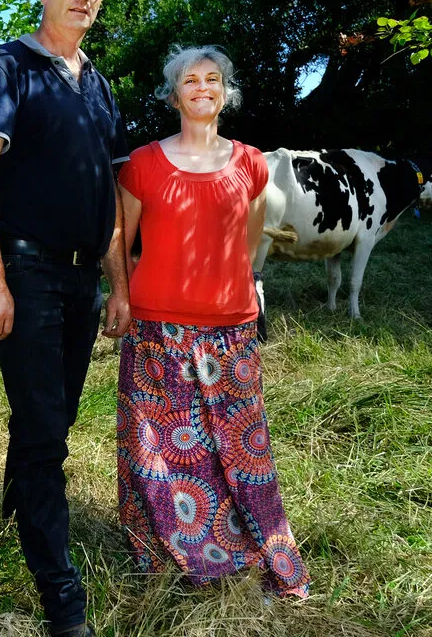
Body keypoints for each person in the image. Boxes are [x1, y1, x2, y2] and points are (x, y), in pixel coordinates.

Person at [0, 0, 131, 637]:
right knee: (45, 440)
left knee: (49, 421)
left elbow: (109, 193)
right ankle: (64, 603)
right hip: (25, 273)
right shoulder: (5, 68)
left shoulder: (99, 85)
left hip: (83, 278)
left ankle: (14, 507)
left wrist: (119, 284)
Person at [115, 45, 309, 598]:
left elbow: (247, 247)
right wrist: (119, 298)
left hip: (230, 328)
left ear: (226, 93)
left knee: (238, 447)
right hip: (156, 328)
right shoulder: (141, 164)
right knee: (157, 445)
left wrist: (230, 292)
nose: (203, 87)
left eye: (214, 79)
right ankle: (169, 554)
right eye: (191, 80)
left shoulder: (251, 162)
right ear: (173, 95)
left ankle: (249, 549)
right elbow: (121, 242)